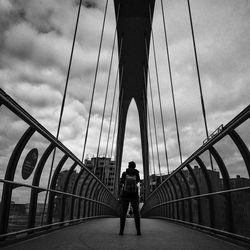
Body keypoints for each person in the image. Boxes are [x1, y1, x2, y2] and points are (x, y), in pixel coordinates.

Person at [119, 161, 141, 236]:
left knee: (123, 213)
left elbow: (121, 182)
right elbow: (138, 181)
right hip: (134, 195)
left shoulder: (124, 173)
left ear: (128, 166)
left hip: (125, 195)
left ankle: (121, 231)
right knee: (136, 213)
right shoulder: (137, 173)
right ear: (134, 166)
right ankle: (138, 231)